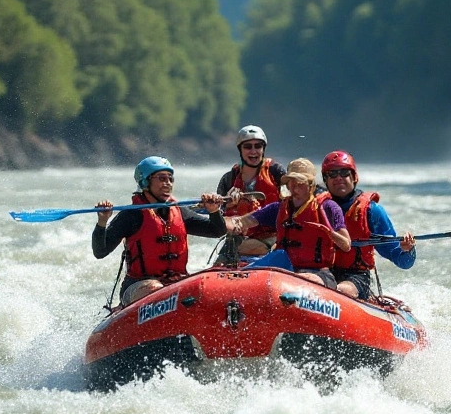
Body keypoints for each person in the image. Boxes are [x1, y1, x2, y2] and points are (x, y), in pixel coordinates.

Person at [93, 156, 227, 305]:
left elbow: (217, 231)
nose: (168, 184)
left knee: (204, 284)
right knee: (155, 288)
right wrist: (102, 222)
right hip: (139, 286)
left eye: (170, 179)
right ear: (145, 182)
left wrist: (214, 211)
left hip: (175, 283)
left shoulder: (179, 212)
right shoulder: (131, 216)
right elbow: (100, 251)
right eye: (162, 178)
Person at [232, 158, 351, 289]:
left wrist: (331, 233)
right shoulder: (278, 208)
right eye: (290, 182)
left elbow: (346, 245)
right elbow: (242, 222)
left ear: (311, 185)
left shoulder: (329, 207)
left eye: (299, 183)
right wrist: (216, 211)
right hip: (285, 268)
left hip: (318, 273)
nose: (294, 187)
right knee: (247, 277)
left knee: (304, 280)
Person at [321, 150, 416, 300]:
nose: (338, 178)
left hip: (356, 278)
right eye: (332, 174)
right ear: (325, 180)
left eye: (344, 172)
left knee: (339, 290)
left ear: (354, 177)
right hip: (321, 271)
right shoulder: (314, 207)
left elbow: (404, 262)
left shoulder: (371, 211)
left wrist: (407, 249)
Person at [217, 125, 286, 257]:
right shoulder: (229, 179)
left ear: (263, 149)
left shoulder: (276, 172)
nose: (253, 151)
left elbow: (293, 200)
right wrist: (227, 204)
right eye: (248, 147)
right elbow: (218, 221)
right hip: (238, 240)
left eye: (258, 146)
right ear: (240, 150)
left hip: (273, 239)